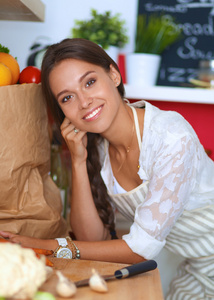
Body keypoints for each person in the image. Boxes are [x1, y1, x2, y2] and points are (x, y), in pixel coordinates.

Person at [1, 38, 214, 299]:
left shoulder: (170, 136)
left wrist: (43, 245)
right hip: (195, 264)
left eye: (89, 82)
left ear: (113, 74)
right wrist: (78, 160)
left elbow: (140, 249)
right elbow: (92, 238)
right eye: (68, 97)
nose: (84, 102)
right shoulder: (99, 148)